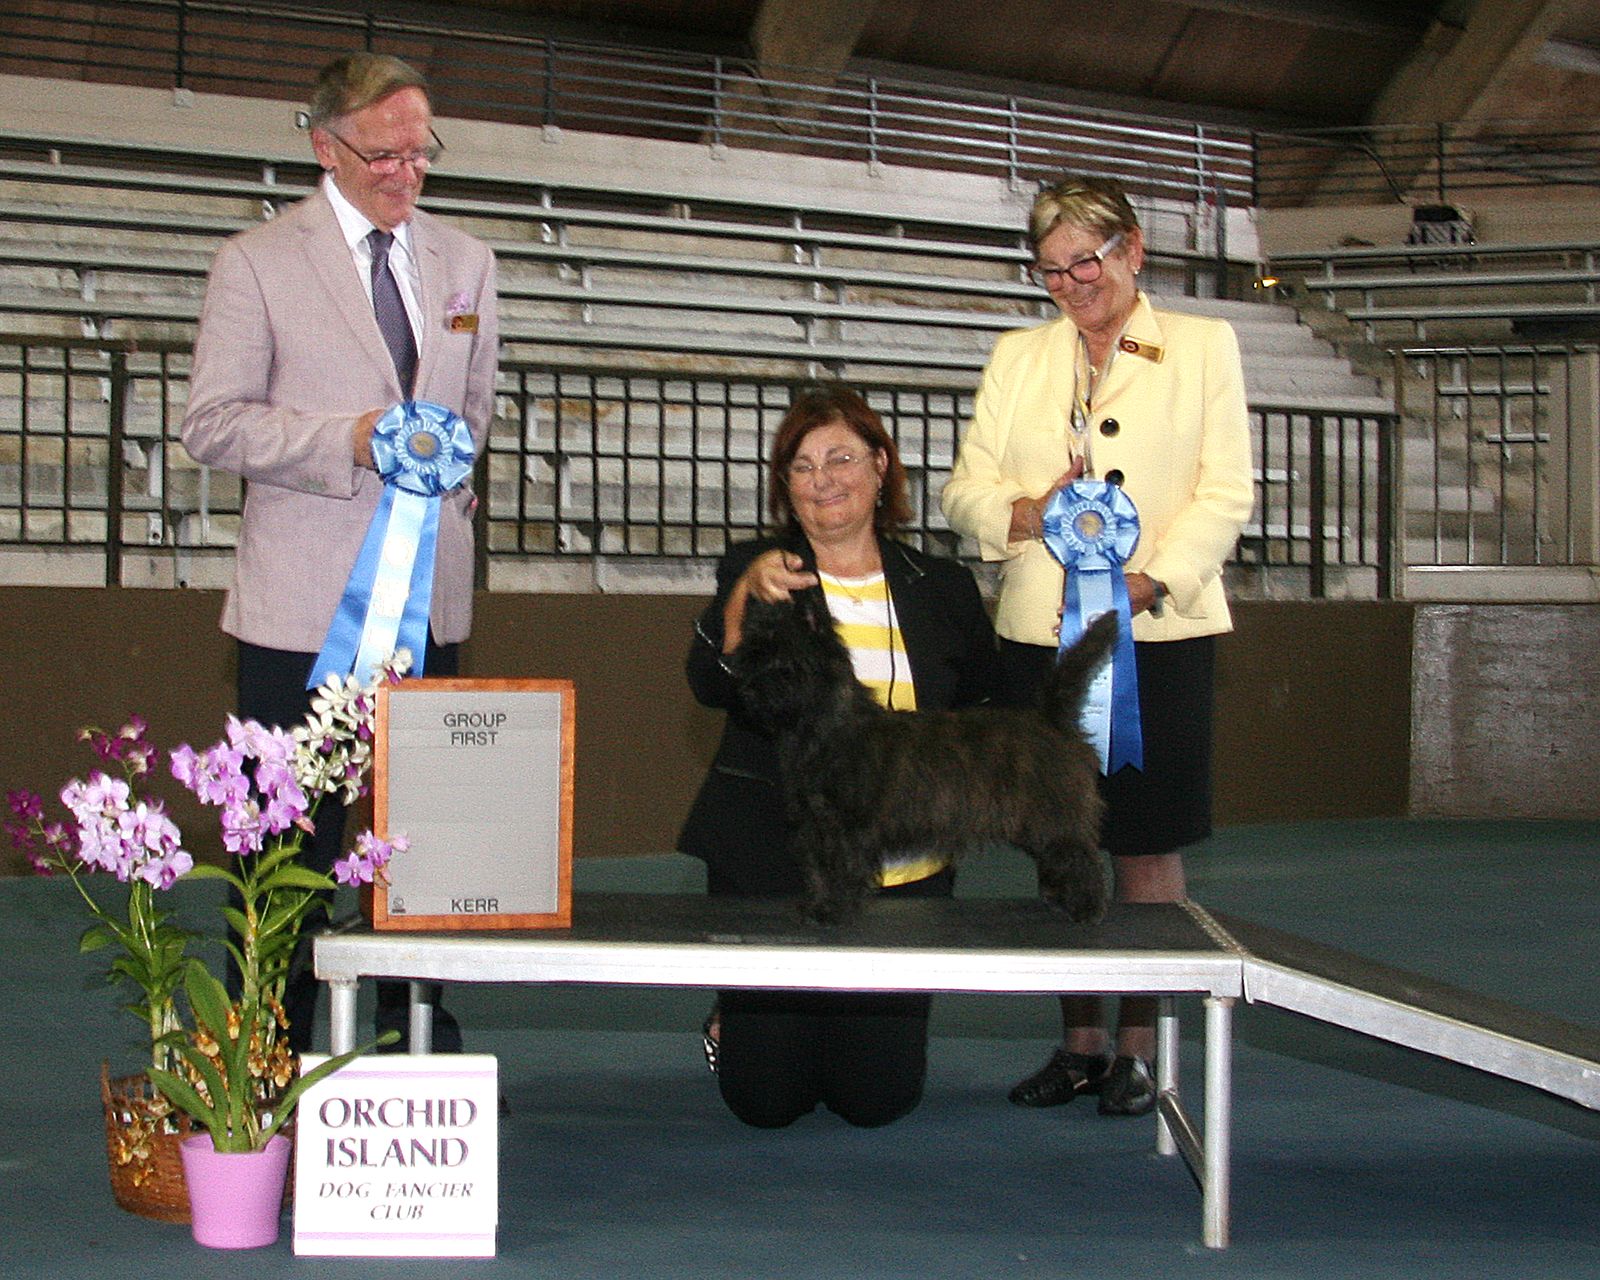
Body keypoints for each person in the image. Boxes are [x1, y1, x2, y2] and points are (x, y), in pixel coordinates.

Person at [181, 52, 498, 1052]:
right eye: (383, 155)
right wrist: (349, 440)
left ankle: (417, 1039)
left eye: (421, 151)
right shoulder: (256, 262)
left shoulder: (468, 263)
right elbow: (212, 424)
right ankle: (267, 1053)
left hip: (430, 603)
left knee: (423, 842)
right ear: (325, 147)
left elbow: (472, 413)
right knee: (286, 847)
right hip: (299, 612)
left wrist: (450, 477)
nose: (407, 172)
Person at [940, 176, 1254, 1116]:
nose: (1072, 283)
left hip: (1158, 632)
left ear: (1133, 250)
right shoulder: (1018, 356)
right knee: (1057, 839)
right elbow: (964, 489)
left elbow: (1226, 491)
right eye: (1051, 270)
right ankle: (1077, 1044)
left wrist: (1156, 579)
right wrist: (1024, 512)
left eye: (1087, 261)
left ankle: (1139, 1050)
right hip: (1041, 638)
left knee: (1146, 847)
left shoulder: (1204, 345)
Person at [679, 384, 999, 1128]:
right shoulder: (760, 570)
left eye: (841, 458)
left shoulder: (941, 586)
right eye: (802, 466)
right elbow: (708, 684)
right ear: (785, 486)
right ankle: (736, 1018)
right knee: (766, 1102)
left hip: (904, 869)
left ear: (881, 466)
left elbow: (984, 708)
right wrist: (742, 600)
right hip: (774, 861)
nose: (822, 479)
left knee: (875, 1101)